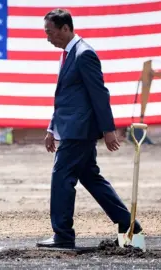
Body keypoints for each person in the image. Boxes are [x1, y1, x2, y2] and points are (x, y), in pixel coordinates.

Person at [37, 8, 143, 248]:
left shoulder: (84, 54)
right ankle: (129, 225)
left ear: (66, 28)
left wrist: (108, 129)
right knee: (90, 178)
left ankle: (63, 235)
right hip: (70, 127)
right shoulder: (68, 54)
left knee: (61, 178)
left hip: (79, 130)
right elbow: (64, 97)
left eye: (50, 32)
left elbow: (99, 93)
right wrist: (51, 128)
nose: (48, 38)